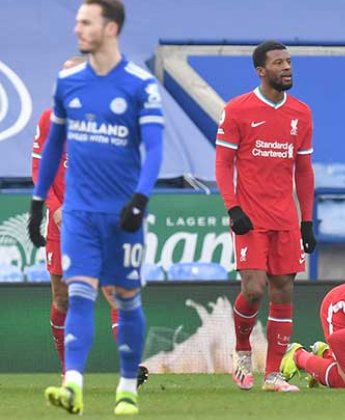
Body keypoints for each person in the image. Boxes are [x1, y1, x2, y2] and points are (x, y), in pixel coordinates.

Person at [27, 0, 164, 415]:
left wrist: (140, 198)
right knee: (77, 294)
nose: (78, 28)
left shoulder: (140, 85)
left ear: (111, 28)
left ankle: (126, 386)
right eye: (76, 21)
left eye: (85, 21)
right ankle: (72, 384)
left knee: (124, 296)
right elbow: (50, 150)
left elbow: (156, 148)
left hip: (121, 213)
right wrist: (38, 203)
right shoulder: (67, 88)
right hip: (78, 215)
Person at [31, 56, 148, 389]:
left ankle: (131, 367)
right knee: (62, 298)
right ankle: (68, 371)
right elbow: (41, 170)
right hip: (63, 220)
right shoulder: (48, 120)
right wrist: (53, 207)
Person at [214, 40, 316, 393]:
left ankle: (272, 375)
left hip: (286, 218)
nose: (287, 67)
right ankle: (242, 351)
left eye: (289, 61)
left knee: (283, 290)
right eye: (279, 63)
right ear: (261, 71)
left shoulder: (301, 113)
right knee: (254, 289)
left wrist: (307, 220)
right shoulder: (238, 109)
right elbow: (223, 163)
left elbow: (304, 170)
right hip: (250, 216)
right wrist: (233, 206)